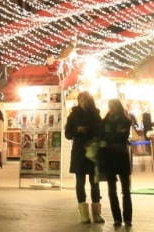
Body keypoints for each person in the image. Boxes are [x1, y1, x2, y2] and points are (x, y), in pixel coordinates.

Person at [65, 91, 103, 223]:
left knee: (95, 183)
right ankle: (84, 214)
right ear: (79, 100)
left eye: (86, 99)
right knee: (80, 183)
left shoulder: (96, 114)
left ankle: (97, 213)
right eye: (81, 99)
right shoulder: (73, 115)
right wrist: (77, 130)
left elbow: (101, 131)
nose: (84, 102)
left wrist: (94, 134)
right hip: (79, 152)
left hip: (92, 152)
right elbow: (67, 134)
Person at [97, 98, 136, 228]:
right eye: (110, 106)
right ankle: (118, 219)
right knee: (112, 191)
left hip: (120, 157)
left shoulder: (124, 120)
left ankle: (127, 219)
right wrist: (112, 138)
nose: (111, 108)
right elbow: (105, 136)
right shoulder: (106, 120)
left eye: (112, 105)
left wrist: (109, 139)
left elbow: (121, 136)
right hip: (111, 158)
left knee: (125, 190)